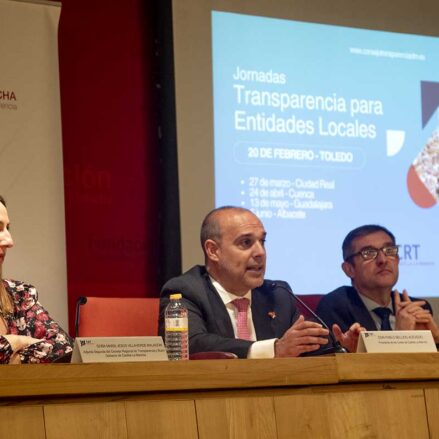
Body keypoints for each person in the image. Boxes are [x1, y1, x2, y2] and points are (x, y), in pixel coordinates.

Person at [159, 206, 338, 359]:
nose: (260, 252)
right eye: (246, 242)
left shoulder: (278, 294)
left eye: (262, 241)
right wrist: (273, 349)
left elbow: (303, 346)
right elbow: (189, 344)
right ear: (213, 251)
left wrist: (340, 347)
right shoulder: (186, 291)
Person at [316, 224, 439, 351]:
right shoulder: (335, 307)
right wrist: (403, 339)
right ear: (349, 269)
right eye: (369, 253)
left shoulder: (417, 309)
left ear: (397, 259)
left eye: (389, 251)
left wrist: (435, 341)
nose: (382, 260)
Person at [0, 195, 73, 363]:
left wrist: (15, 342)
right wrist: (20, 344)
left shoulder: (19, 295)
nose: (9, 241)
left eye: (8, 229)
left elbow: (64, 347)